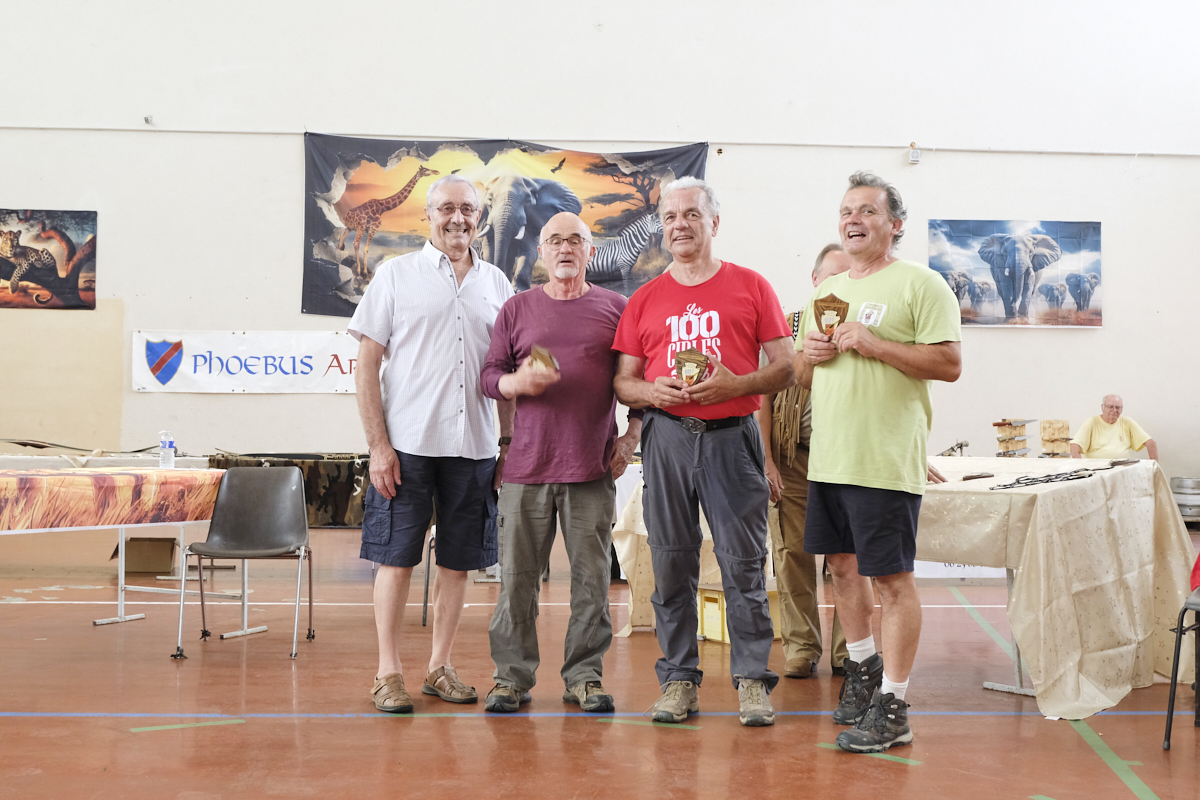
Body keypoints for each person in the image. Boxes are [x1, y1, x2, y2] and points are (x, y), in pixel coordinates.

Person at [613, 177, 795, 727]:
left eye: (691, 214)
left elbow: (787, 368)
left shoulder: (752, 286)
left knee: (743, 563)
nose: (680, 225)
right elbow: (624, 382)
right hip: (666, 437)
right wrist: (653, 392)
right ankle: (678, 681)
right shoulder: (643, 299)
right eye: (670, 217)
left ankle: (752, 681)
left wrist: (736, 385)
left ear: (714, 222)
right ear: (661, 228)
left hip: (732, 438)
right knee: (670, 562)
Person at [797, 171, 962, 753]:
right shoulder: (825, 290)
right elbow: (802, 374)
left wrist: (875, 345)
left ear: (895, 224)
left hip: (884, 460)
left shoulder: (922, 284)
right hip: (830, 460)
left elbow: (949, 364)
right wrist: (810, 353)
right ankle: (864, 672)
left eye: (868, 210)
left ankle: (894, 706)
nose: (854, 219)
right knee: (841, 569)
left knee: (892, 582)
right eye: (847, 210)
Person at [349, 174, 515, 714]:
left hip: (475, 447)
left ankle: (439, 667)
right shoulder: (395, 276)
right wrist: (378, 445)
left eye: (468, 208)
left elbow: (508, 370)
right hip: (408, 447)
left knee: (458, 563)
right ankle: (387, 672)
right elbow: (366, 367)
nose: (457, 217)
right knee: (396, 560)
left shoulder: (498, 284)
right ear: (428, 215)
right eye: (446, 208)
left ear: (479, 218)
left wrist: (507, 443)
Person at [479, 212, 643, 714]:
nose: (565, 248)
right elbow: (489, 377)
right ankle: (510, 679)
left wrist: (632, 435)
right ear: (542, 252)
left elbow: (638, 378)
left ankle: (584, 677)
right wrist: (516, 383)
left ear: (591, 251)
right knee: (516, 581)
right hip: (524, 470)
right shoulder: (517, 308)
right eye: (555, 240)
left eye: (576, 240)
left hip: (592, 469)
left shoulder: (617, 308)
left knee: (592, 582)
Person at [755, 244, 851, 679]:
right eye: (830, 278)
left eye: (846, 278)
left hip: (850, 459)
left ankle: (851, 651)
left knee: (849, 558)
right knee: (791, 553)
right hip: (793, 459)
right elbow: (763, 398)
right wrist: (767, 461)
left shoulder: (865, 331)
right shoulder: (785, 327)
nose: (838, 286)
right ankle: (801, 646)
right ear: (814, 281)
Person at [1070, 395, 1158, 460]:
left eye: (1118, 407)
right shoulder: (1092, 422)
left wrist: (1154, 466)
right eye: (1110, 407)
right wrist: (1080, 467)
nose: (1114, 410)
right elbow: (1074, 445)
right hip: (1097, 470)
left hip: (1122, 468)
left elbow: (1151, 443)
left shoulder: (1127, 422)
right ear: (1103, 407)